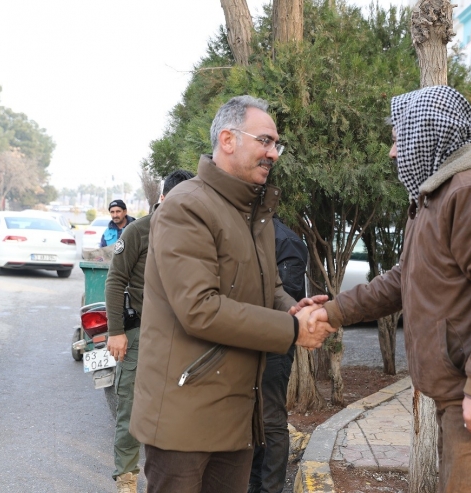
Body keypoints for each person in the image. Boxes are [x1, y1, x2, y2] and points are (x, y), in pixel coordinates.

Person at [311, 86, 471, 493]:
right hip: (461, 388)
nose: (393, 153)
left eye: (400, 140)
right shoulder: (435, 198)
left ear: (427, 135)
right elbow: (403, 279)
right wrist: (333, 313)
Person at [129, 95, 334, 493]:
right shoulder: (187, 207)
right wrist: (292, 330)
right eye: (265, 141)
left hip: (236, 414)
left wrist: (297, 310)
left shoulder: (251, 212)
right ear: (227, 139)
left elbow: (268, 286)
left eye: (277, 145)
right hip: (183, 420)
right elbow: (199, 309)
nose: (273, 153)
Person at [104, 169, 194, 493]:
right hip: (141, 331)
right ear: (163, 198)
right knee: (130, 406)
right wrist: (116, 331)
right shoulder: (138, 232)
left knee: (176, 410)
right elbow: (115, 281)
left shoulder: (193, 234)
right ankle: (127, 477)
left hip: (182, 336)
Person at [248, 216, 308, 493]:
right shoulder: (242, 231)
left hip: (273, 344)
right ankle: (253, 484)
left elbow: (288, 298)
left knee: (270, 420)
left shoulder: (286, 241)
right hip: (244, 341)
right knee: (248, 417)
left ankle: (270, 489)